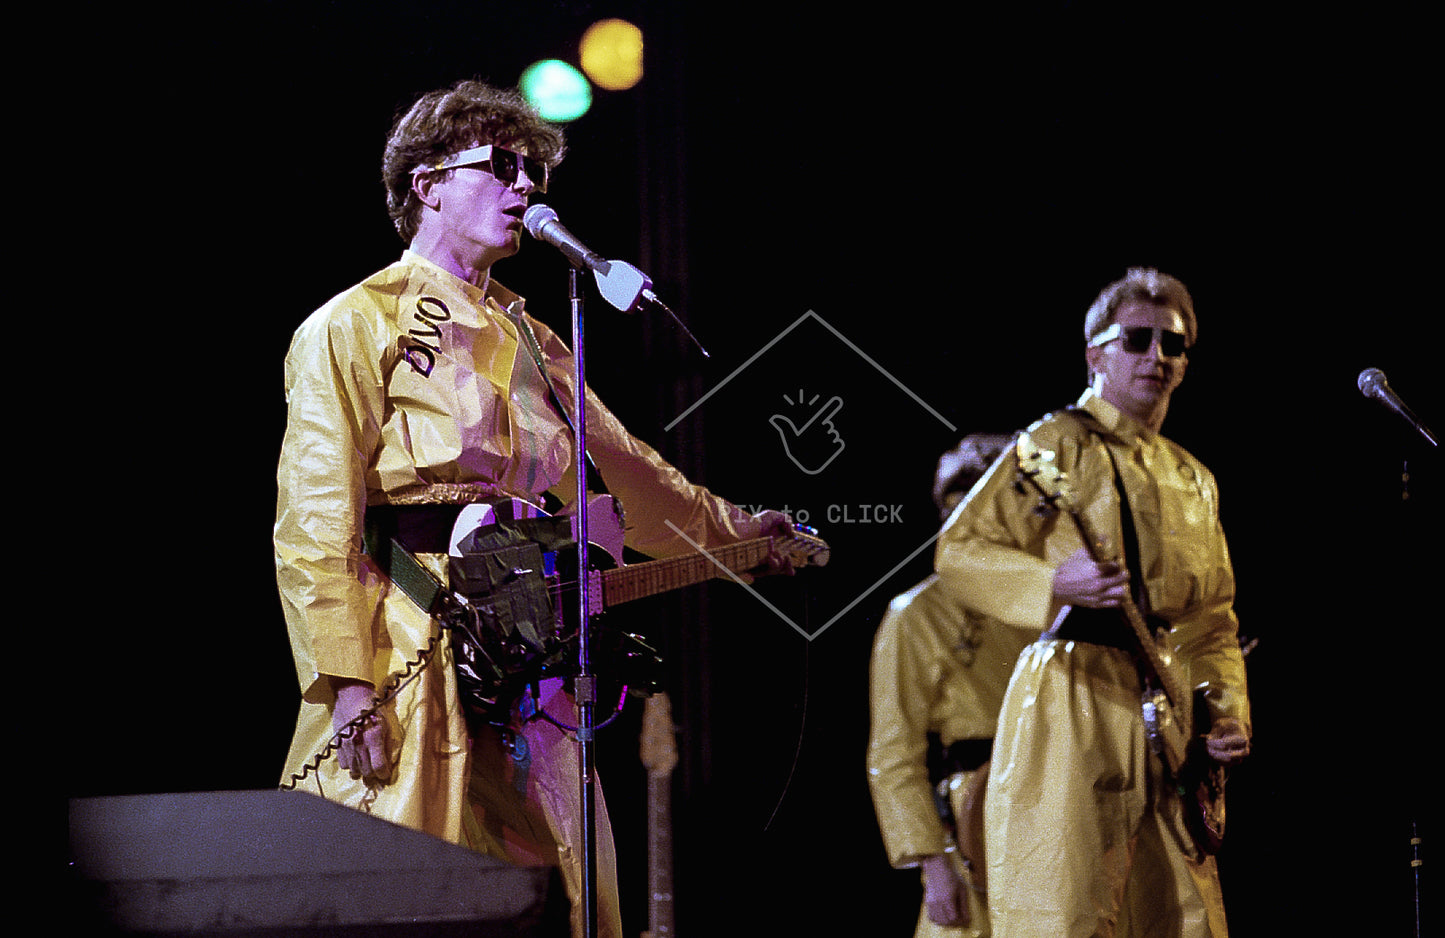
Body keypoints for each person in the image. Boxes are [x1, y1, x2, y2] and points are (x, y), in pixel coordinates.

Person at [273, 79, 791, 938]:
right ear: (427, 183)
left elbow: (629, 473)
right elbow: (316, 513)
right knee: (412, 874)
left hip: (527, 642)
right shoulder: (354, 322)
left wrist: (736, 530)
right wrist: (346, 683)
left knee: (558, 876)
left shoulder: (534, 335)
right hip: (407, 628)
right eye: (503, 166)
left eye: (535, 174)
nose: (526, 189)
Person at [934, 268, 1251, 937]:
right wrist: (1055, 584)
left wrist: (1222, 709)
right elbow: (958, 552)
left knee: (1182, 919)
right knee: (1067, 908)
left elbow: (1212, 624)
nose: (1154, 357)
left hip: (1169, 724)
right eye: (1135, 339)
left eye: (1172, 345)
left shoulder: (1194, 478)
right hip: (1071, 697)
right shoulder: (1051, 445)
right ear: (1094, 354)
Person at [868, 433, 1033, 938]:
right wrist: (931, 863)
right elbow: (894, 750)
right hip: (970, 824)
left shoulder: (1053, 602)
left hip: (1053, 802)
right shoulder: (916, 614)